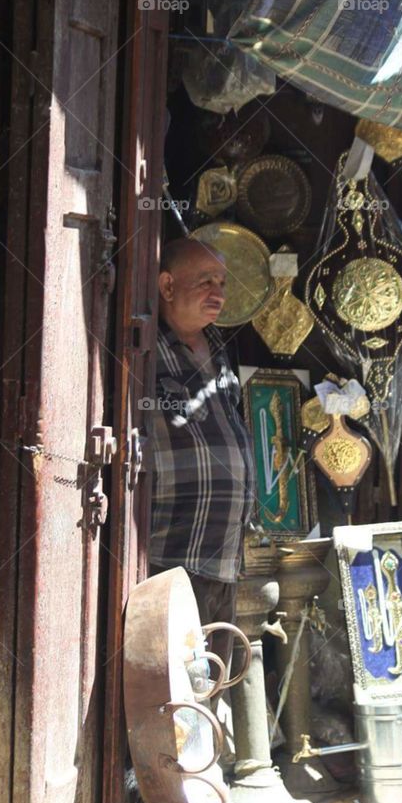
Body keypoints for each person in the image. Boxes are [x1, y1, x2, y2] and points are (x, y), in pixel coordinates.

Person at [147, 237, 255, 678]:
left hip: (224, 557)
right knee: (168, 687)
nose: (219, 293)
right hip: (171, 553)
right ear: (167, 286)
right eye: (205, 281)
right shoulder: (146, 347)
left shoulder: (218, 347)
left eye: (222, 282)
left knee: (210, 685)